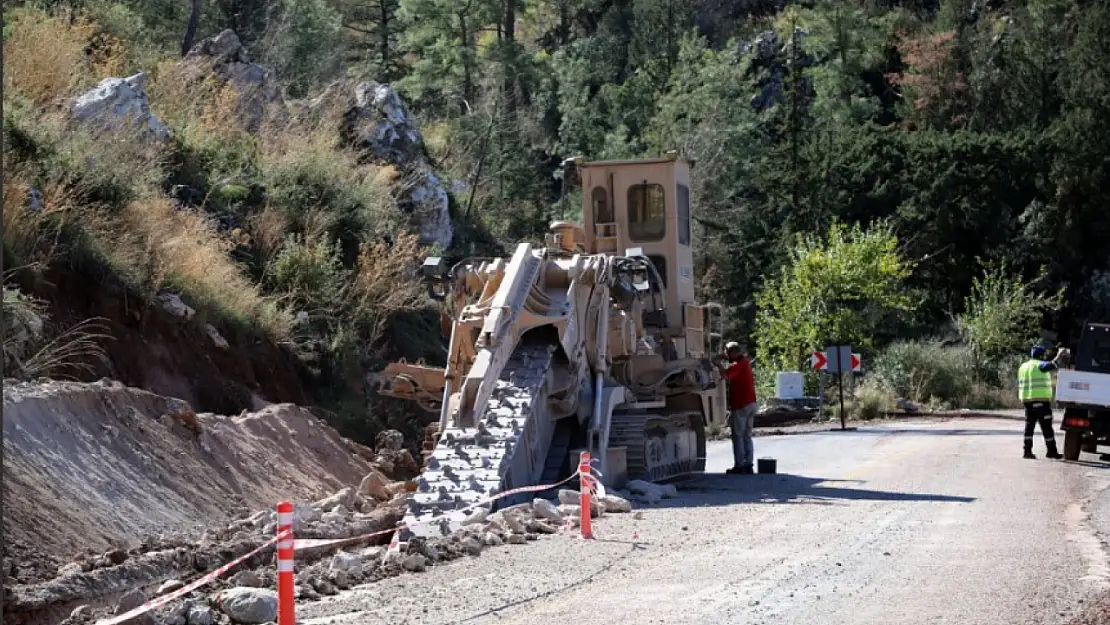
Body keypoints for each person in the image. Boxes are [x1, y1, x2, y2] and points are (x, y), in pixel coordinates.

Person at [713, 341, 758, 475]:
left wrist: (718, 363)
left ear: (732, 353)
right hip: (751, 403)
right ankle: (748, 464)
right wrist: (724, 357)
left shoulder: (738, 365)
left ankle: (739, 465)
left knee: (738, 435)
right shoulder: (745, 363)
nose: (726, 355)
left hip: (741, 405)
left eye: (727, 353)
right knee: (747, 435)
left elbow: (725, 375)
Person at [1018, 344, 1069, 460]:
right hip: (1040, 401)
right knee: (1046, 427)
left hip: (1027, 401)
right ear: (1041, 355)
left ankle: (1027, 451)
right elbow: (1053, 365)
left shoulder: (1023, 366)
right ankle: (1051, 451)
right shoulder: (1039, 365)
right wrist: (1059, 355)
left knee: (1029, 427)